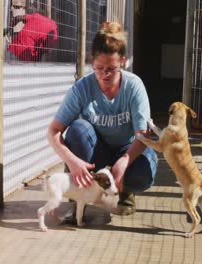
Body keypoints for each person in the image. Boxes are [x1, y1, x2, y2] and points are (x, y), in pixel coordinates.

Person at [47, 21, 157, 217]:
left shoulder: (134, 86)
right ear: (92, 60)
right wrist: (71, 161)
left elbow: (143, 135)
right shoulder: (82, 88)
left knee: (143, 175)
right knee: (78, 129)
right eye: (99, 68)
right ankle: (79, 196)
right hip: (97, 149)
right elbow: (53, 131)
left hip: (127, 147)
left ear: (123, 61)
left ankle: (126, 191)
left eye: (111, 69)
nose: (105, 75)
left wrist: (124, 161)